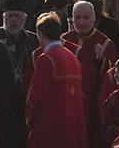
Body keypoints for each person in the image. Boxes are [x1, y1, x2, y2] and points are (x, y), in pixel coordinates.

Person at [26, 14, 86, 148]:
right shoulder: (72, 57)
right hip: (73, 126)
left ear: (40, 34)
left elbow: (35, 96)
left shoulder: (45, 59)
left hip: (50, 128)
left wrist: (30, 119)